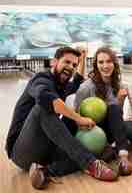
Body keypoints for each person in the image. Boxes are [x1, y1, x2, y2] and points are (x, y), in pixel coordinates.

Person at [5, 47, 119, 190]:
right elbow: (46, 99)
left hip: (46, 149)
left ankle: (44, 171)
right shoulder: (41, 79)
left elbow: (77, 81)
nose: (70, 67)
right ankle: (91, 164)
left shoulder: (61, 84)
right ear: (54, 62)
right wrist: (79, 119)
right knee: (43, 108)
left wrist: (82, 58)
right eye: (67, 62)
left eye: (74, 65)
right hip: (22, 151)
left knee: (100, 150)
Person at [74, 47, 132, 177]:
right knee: (117, 114)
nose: (105, 66)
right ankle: (114, 150)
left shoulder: (120, 86)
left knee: (130, 126)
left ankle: (122, 155)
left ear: (114, 63)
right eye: (101, 62)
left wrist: (119, 101)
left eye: (109, 61)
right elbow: (75, 117)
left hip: (111, 131)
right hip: (90, 131)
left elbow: (117, 117)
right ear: (96, 65)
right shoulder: (86, 88)